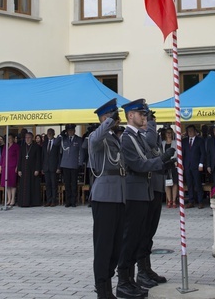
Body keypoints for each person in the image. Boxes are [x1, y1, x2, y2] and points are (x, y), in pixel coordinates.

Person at [116, 99, 175, 299]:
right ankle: (123, 281)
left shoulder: (138, 137)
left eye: (146, 115)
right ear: (130, 115)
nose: (146, 118)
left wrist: (164, 163)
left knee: (138, 238)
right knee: (130, 240)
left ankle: (131, 280)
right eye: (142, 114)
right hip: (134, 195)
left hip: (145, 193)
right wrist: (162, 160)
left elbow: (148, 159)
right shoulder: (127, 138)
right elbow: (139, 165)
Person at [88, 99, 126, 299]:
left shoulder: (113, 137)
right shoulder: (97, 136)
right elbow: (94, 140)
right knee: (104, 245)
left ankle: (107, 279)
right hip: (104, 196)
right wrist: (108, 123)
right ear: (104, 118)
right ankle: (102, 287)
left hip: (118, 196)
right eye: (112, 115)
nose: (117, 118)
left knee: (116, 245)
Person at [136, 109, 167, 290]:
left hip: (157, 187)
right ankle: (141, 270)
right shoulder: (141, 137)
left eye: (152, 119)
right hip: (147, 190)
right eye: (148, 118)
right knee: (144, 232)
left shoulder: (152, 138)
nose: (151, 122)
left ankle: (147, 268)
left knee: (150, 233)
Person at [55, 124, 83, 207]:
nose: (70, 132)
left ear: (74, 131)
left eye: (72, 130)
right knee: (67, 184)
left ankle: (73, 201)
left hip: (74, 164)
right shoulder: (64, 139)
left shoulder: (78, 139)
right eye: (69, 130)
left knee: (74, 184)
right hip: (65, 164)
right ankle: (68, 201)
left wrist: (80, 163)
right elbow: (55, 144)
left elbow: (81, 152)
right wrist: (60, 135)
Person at [182, 125, 205, 209]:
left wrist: (201, 164)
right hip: (187, 165)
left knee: (198, 184)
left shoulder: (200, 140)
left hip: (196, 166)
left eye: (191, 130)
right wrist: (182, 165)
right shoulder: (184, 141)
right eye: (188, 131)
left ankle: (200, 201)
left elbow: (203, 153)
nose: (190, 132)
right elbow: (182, 154)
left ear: (195, 131)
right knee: (189, 184)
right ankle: (191, 201)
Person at [17, 132, 42, 207]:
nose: (27, 139)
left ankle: (33, 202)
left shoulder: (36, 147)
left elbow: (38, 159)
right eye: (26, 138)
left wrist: (37, 169)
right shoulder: (23, 147)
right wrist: (19, 169)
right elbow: (20, 159)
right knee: (24, 186)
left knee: (33, 186)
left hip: (33, 170)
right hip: (24, 170)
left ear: (32, 138)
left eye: (29, 137)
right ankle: (23, 202)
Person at [0, 133, 20, 206]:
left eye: (10, 138)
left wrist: (17, 166)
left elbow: (18, 157)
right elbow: (2, 156)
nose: (9, 139)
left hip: (12, 167)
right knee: (6, 184)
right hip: (5, 167)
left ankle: (13, 199)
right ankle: (8, 199)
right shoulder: (5, 146)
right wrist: (0, 166)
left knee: (12, 183)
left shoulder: (16, 146)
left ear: (13, 139)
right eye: (8, 138)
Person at [42, 128, 60, 207]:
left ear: (54, 133)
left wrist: (58, 167)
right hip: (46, 167)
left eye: (51, 133)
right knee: (47, 185)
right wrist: (42, 167)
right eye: (48, 133)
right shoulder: (45, 143)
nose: (49, 134)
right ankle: (48, 200)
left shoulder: (57, 142)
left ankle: (54, 200)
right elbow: (42, 156)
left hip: (54, 167)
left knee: (54, 185)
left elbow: (59, 156)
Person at [162, 127, 178, 208]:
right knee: (167, 183)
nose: (168, 134)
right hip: (165, 165)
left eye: (170, 132)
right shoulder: (163, 143)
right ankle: (169, 200)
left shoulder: (175, 142)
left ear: (172, 134)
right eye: (167, 132)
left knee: (174, 183)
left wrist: (174, 160)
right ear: (165, 134)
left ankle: (174, 201)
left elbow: (177, 153)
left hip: (173, 164)